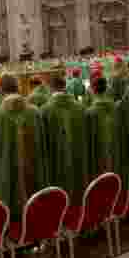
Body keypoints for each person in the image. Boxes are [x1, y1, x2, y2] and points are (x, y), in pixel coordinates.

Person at [0, 74, 47, 215]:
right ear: (18, 88)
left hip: (5, 182)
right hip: (33, 179)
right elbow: (43, 150)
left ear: (1, 90)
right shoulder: (35, 113)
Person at [41, 75, 89, 203]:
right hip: (77, 159)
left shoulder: (45, 110)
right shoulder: (80, 108)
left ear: (50, 88)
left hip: (56, 163)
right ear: (65, 86)